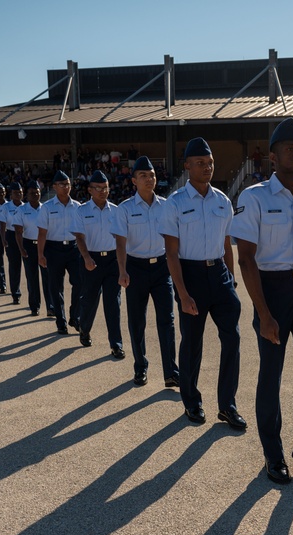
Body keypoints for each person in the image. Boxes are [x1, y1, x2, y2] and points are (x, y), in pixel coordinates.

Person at [230, 117, 293, 486]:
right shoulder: (254, 197)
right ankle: (273, 455)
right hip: (269, 290)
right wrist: (263, 313)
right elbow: (245, 259)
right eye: (291, 150)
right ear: (273, 158)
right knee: (271, 377)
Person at [160, 138, 245, 429]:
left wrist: (231, 280)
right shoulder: (175, 204)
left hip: (219, 275)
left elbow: (226, 244)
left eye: (210, 163)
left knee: (232, 339)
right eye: (200, 163)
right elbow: (171, 253)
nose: (207, 167)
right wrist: (182, 294)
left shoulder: (222, 200)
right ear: (187, 166)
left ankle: (227, 405)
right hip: (190, 276)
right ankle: (192, 402)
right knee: (192, 343)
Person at [113, 157, 179, 387]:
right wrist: (122, 270)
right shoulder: (125, 209)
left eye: (152, 175)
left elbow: (174, 241)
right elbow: (120, 244)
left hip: (162, 268)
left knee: (167, 320)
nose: (149, 179)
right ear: (134, 181)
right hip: (136, 268)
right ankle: (140, 367)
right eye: (143, 176)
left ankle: (171, 371)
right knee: (137, 321)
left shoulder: (166, 206)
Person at [70, 170, 125, 357]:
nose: (103, 191)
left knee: (113, 303)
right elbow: (79, 237)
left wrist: (122, 264)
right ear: (90, 190)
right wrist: (86, 258)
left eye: (105, 188)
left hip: (112, 261)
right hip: (90, 259)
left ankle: (116, 344)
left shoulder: (116, 211)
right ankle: (84, 329)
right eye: (98, 188)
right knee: (89, 300)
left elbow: (120, 239)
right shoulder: (82, 211)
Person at [37, 171, 82, 335]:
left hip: (73, 249)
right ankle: (61, 322)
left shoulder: (78, 207)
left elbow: (82, 233)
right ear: (54, 187)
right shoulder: (47, 207)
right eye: (62, 184)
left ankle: (74, 315)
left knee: (79, 283)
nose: (66, 187)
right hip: (53, 249)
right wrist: (40, 254)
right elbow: (42, 233)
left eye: (68, 184)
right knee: (56, 287)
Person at [15, 180, 53, 317]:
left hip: (44, 246)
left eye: (37, 192)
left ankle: (51, 306)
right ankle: (34, 306)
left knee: (47, 277)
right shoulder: (21, 210)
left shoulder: (46, 208)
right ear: (26, 194)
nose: (35, 195)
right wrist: (21, 249)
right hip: (29, 245)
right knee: (32, 278)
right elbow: (18, 231)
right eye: (32, 193)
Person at [1, 182, 24, 304]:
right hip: (11, 236)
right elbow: (2, 224)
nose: (18, 194)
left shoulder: (25, 206)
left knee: (29, 267)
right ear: (11, 194)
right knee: (14, 266)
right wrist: (3, 238)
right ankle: (15, 293)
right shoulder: (6, 207)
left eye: (20, 192)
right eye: (16, 192)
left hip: (25, 237)